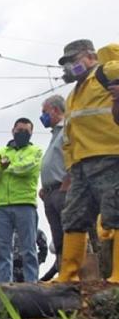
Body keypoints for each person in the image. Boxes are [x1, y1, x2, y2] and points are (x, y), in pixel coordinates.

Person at [54, 39, 119, 282]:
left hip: (110, 157)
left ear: (89, 56)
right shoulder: (72, 96)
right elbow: (69, 135)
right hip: (81, 166)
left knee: (115, 213)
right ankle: (69, 275)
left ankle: (118, 274)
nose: (69, 66)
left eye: (73, 60)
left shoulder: (105, 72)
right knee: (73, 216)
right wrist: (70, 169)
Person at [0, 118, 43, 282]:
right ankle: (3, 283)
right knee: (3, 249)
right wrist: (1, 167)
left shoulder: (36, 151)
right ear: (13, 130)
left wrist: (5, 167)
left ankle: (32, 283)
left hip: (25, 204)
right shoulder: (0, 151)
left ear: (31, 133)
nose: (22, 133)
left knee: (28, 248)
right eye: (19, 130)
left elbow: (26, 168)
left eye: (26, 131)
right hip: (1, 205)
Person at [37, 95, 68, 281]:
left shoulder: (67, 130)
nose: (43, 117)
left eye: (44, 112)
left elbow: (73, 157)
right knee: (58, 239)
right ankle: (65, 273)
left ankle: (80, 274)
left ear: (55, 110)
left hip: (63, 190)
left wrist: (67, 183)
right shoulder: (54, 135)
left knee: (71, 231)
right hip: (50, 193)